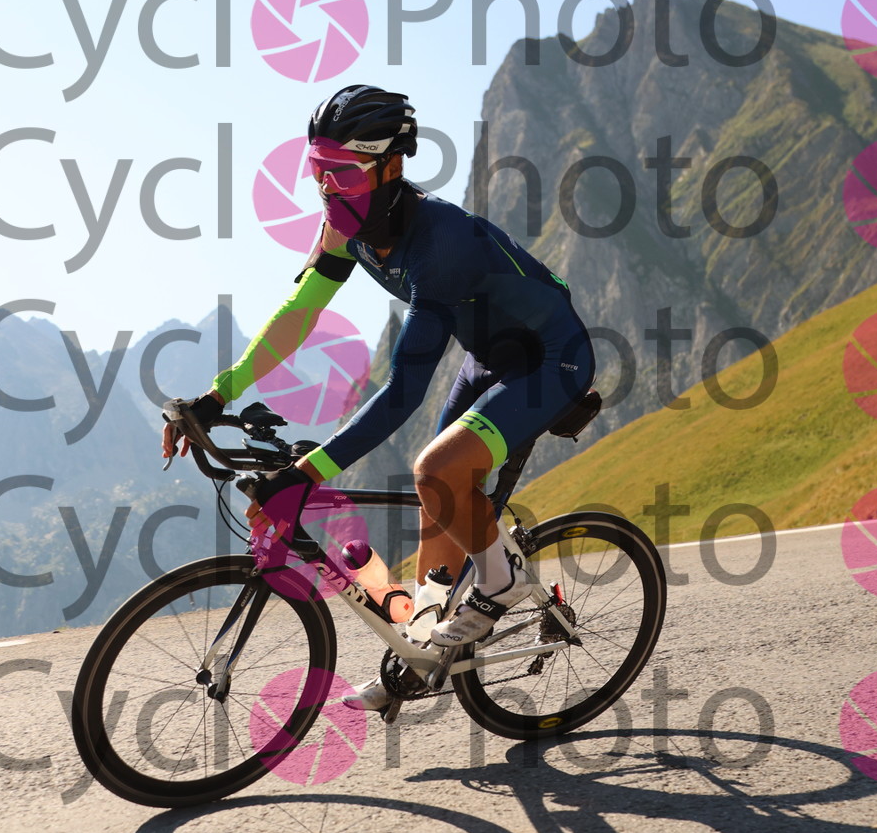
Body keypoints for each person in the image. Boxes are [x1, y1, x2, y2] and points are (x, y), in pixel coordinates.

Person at [162, 84, 595, 711]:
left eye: (342, 172)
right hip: (488, 359)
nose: (326, 188)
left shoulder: (442, 243)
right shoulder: (347, 228)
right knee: (436, 505)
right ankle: (422, 651)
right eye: (318, 171)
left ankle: (501, 584)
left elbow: (401, 394)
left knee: (436, 471)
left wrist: (306, 474)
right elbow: (299, 313)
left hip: (553, 357)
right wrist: (214, 397)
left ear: (390, 167)